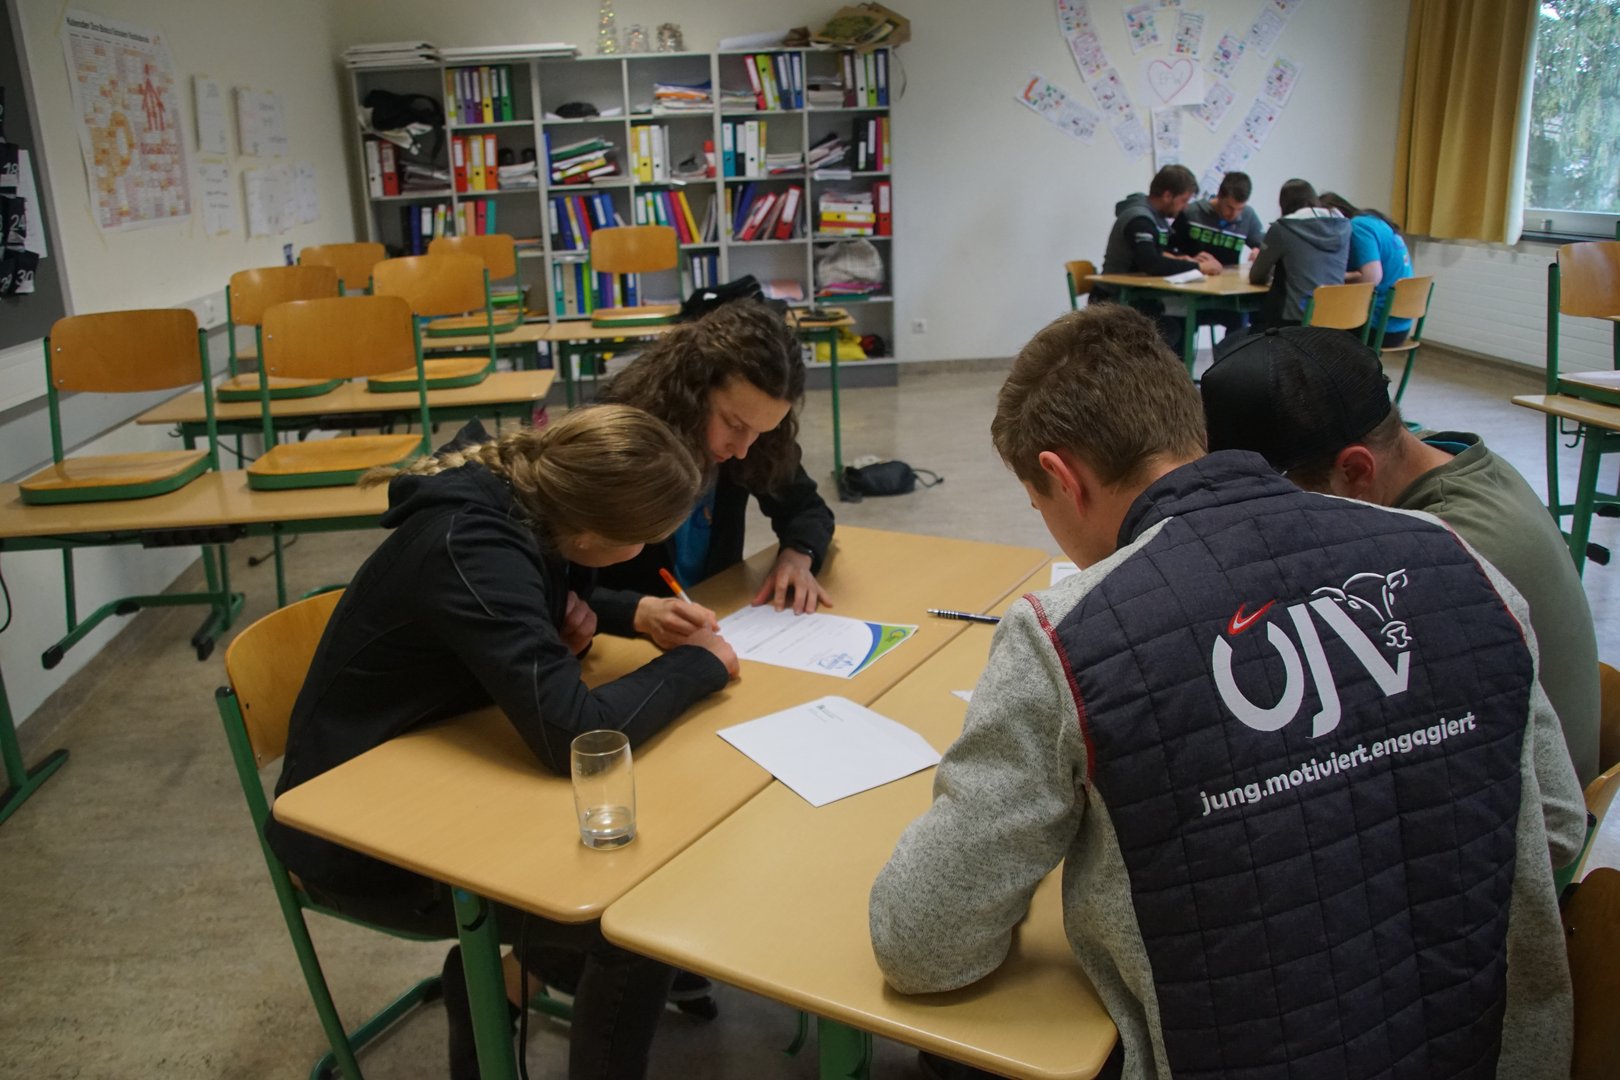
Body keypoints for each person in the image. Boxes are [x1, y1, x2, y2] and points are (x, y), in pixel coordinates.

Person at [869, 307, 1586, 1080]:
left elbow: (922, 944)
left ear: (1063, 478)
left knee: (949, 1057)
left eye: (1039, 505)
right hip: (1486, 1050)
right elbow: (1552, 825)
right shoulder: (1455, 556)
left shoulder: (1068, 632)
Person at [263, 406, 739, 1080]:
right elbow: (575, 735)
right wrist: (698, 665)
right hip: (351, 840)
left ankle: (501, 985)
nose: (643, 556)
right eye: (640, 543)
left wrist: (631, 610)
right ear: (588, 534)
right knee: (634, 922)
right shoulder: (471, 545)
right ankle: (506, 987)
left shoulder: (527, 499)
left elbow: (523, 597)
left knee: (658, 838)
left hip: (432, 769)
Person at [1200, 326, 1601, 785]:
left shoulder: (1449, 555)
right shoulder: (1436, 455)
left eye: (1272, 501)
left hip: (1529, 803)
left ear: (1355, 470)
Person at [594, 299, 836, 648]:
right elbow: (553, 585)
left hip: (717, 622)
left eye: (761, 431)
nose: (743, 449)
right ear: (693, 390)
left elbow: (806, 508)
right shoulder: (615, 438)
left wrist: (799, 554)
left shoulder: (752, 437)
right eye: (733, 424)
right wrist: (634, 611)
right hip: (624, 646)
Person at [1095, 164, 1223, 351]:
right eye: (1183, 200)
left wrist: (1183, 258)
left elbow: (1159, 251)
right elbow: (1151, 263)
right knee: (1171, 330)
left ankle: (1176, 370)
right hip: (1115, 299)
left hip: (1138, 297)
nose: (1185, 207)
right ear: (1167, 195)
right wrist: (1198, 267)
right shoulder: (1139, 219)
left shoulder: (1156, 218)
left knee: (1182, 321)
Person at [1168, 170, 1267, 342]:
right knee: (1180, 330)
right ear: (1219, 196)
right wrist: (1188, 259)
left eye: (1240, 209)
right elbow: (1169, 247)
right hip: (1192, 290)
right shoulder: (1192, 212)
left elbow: (1262, 245)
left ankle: (1229, 358)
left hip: (1228, 294)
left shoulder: (1248, 216)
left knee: (1243, 321)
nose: (1234, 214)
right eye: (1229, 207)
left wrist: (1258, 251)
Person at [1247, 178, 1351, 331]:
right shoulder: (1343, 227)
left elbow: (1257, 275)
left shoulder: (1282, 228)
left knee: (1242, 334)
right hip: (1334, 321)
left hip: (1294, 322)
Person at [1320, 191, 1416, 347]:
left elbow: (1372, 278)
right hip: (1400, 325)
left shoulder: (1358, 226)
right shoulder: (1374, 221)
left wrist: (1337, 276)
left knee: (1316, 327)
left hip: (1380, 328)